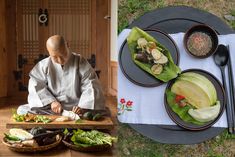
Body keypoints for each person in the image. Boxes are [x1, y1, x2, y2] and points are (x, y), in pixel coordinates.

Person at [17, 35, 105, 115]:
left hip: (76, 107)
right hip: (52, 107)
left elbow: (90, 85)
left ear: (67, 45)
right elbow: (35, 85)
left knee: (99, 112)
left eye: (63, 55)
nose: (60, 60)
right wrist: (51, 102)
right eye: (54, 57)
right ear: (49, 52)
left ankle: (78, 113)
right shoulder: (44, 65)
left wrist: (82, 107)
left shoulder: (80, 62)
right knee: (22, 110)